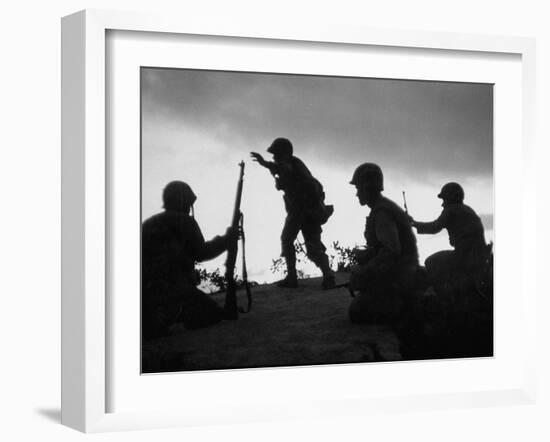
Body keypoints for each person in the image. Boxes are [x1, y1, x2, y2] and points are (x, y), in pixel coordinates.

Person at [142, 181, 237, 340]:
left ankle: (156, 319)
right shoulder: (184, 221)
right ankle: (171, 315)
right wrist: (226, 240)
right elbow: (201, 253)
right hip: (171, 290)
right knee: (211, 313)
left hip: (143, 293)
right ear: (183, 201)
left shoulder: (148, 223)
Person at [250, 137, 335, 289]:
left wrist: (267, 164)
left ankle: (296, 277)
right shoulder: (292, 165)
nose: (274, 157)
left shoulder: (290, 166)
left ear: (285, 154)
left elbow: (285, 171)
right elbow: (279, 169)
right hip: (307, 211)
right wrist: (265, 164)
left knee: (291, 240)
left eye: (277, 154)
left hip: (301, 211)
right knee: (310, 246)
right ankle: (325, 275)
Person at [348, 163, 420, 324]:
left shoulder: (382, 212)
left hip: (399, 276)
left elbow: (392, 250)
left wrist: (365, 270)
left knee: (359, 312)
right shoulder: (382, 207)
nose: (357, 194)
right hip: (400, 271)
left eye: (358, 188)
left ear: (367, 188)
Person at [410, 182, 488, 291]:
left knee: (431, 262)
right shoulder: (468, 210)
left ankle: (439, 295)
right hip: (478, 256)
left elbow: (434, 227)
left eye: (444, 199)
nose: (442, 203)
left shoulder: (451, 210)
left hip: (464, 256)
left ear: (450, 197)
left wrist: (413, 223)